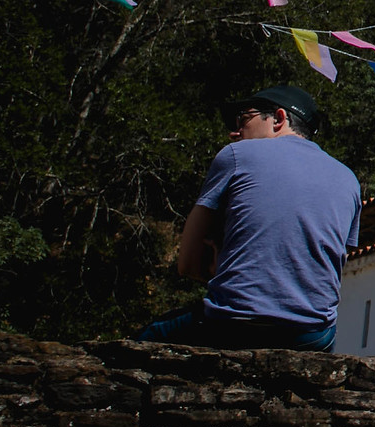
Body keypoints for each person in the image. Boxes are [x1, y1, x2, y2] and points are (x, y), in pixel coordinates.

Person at [137, 86, 361, 352]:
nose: (235, 132)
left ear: (278, 118)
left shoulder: (237, 155)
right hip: (311, 335)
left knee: (141, 343)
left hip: (234, 323)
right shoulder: (349, 180)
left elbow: (187, 264)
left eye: (243, 119)